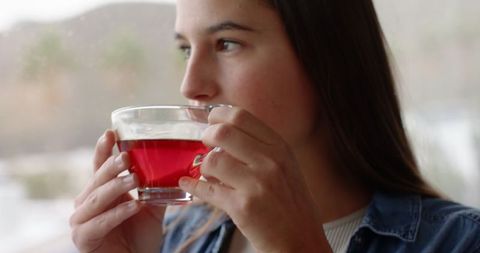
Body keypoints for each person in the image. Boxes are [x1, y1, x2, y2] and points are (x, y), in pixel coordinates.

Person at [69, 0, 480, 252]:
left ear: (328, 59)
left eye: (227, 43)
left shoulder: (461, 243)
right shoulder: (177, 236)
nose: (190, 85)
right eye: (185, 49)